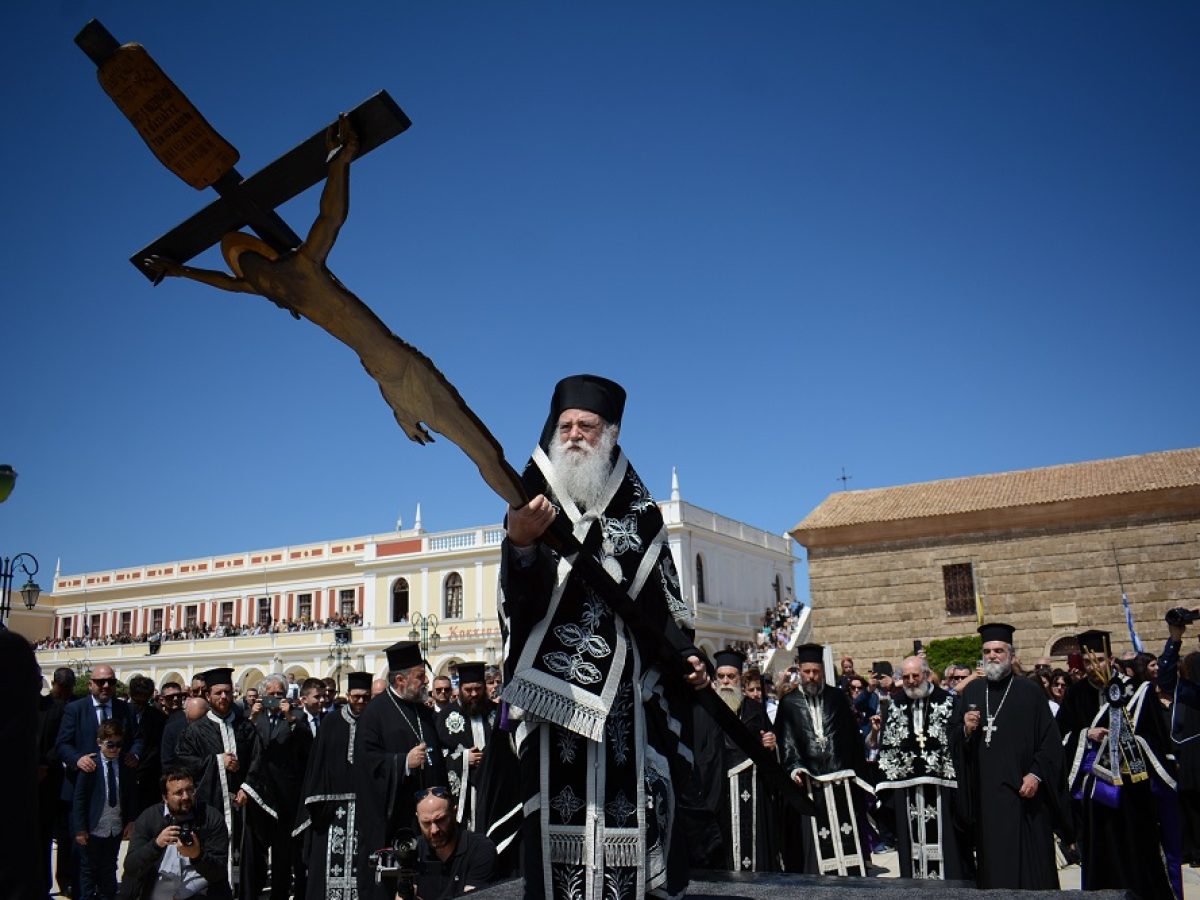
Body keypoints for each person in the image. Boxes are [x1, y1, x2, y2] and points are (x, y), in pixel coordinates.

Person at [499, 374, 707, 900]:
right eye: (565, 425)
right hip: (554, 700)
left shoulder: (643, 515)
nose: (573, 435)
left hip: (626, 701)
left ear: (609, 433)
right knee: (553, 824)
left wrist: (686, 653)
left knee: (632, 818)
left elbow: (662, 607)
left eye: (586, 426)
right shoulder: (529, 502)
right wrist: (520, 546)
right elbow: (519, 606)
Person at [951, 622, 1063, 889]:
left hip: (1025, 794)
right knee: (994, 866)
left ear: (1011, 655)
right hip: (987, 797)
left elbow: (1050, 741)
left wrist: (1036, 774)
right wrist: (965, 729)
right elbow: (955, 740)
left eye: (999, 650)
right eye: (987, 651)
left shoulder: (1030, 691)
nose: (992, 656)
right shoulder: (973, 691)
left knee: (1031, 864)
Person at [1067, 646, 1180, 898]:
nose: (1092, 666)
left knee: (1139, 846)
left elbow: (1156, 735)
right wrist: (1086, 734)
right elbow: (1060, 735)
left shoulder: (1137, 689)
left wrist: (1129, 740)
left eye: (1098, 659)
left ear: (1110, 659)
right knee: (1102, 849)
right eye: (1087, 661)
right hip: (1096, 790)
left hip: (1133, 786)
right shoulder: (1076, 694)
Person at [354, 640, 448, 900]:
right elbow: (367, 765)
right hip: (393, 822)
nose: (426, 682)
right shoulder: (374, 715)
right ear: (400, 680)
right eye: (420, 677)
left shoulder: (423, 711)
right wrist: (403, 762)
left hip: (427, 820)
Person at [776, 643, 873, 877]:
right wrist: (795, 767)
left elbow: (850, 737)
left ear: (822, 671)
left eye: (816, 671)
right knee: (815, 841)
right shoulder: (789, 703)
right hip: (809, 783)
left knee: (846, 831)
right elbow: (786, 740)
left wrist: (854, 771)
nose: (811, 676)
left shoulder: (837, 697)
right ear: (800, 670)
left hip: (840, 781)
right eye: (807, 671)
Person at [869, 656, 967, 880]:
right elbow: (889, 744)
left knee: (947, 843)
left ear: (926, 674)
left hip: (943, 789)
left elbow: (957, 741)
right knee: (910, 844)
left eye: (915, 676)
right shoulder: (894, 703)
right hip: (907, 790)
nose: (911, 681)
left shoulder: (949, 701)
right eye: (906, 677)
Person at [174, 668, 259, 887]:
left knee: (244, 861)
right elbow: (183, 763)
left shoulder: (245, 727)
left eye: (228, 692)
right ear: (208, 696)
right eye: (218, 693)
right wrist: (217, 761)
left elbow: (258, 761)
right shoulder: (196, 731)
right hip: (210, 807)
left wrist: (247, 788)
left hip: (242, 806)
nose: (223, 697)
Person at [296, 671, 373, 900]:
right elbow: (317, 766)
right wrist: (319, 802)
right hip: (331, 810)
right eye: (356, 696)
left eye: (365, 697)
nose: (360, 701)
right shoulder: (331, 722)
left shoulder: (375, 722)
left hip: (365, 807)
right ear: (348, 695)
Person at [240, 674, 313, 899]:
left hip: (286, 796)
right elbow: (242, 746)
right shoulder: (252, 717)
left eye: (279, 694)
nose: (274, 698)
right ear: (261, 696)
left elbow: (307, 744)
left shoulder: (296, 717)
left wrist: (290, 717)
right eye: (270, 695)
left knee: (283, 852)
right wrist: (251, 718)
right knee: (255, 850)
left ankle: (280, 895)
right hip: (259, 794)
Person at [118, 767, 231, 900]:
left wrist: (197, 855)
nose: (186, 797)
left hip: (198, 890)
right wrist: (156, 845)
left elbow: (219, 872)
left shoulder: (210, 817)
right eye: (179, 793)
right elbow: (131, 867)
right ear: (165, 797)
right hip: (158, 889)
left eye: (190, 790)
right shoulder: (149, 818)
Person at [72, 720, 137, 900]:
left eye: (119, 744)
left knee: (109, 867)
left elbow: (131, 796)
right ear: (99, 742)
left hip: (114, 827)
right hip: (92, 828)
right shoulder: (91, 766)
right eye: (110, 744)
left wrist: (131, 821)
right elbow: (79, 800)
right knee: (88, 870)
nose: (115, 749)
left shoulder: (125, 765)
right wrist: (80, 828)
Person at [434, 662, 497, 832]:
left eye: (478, 688)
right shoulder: (445, 717)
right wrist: (463, 760)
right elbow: (435, 756)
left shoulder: (495, 713)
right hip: (464, 797)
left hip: (493, 790)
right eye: (468, 690)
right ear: (460, 689)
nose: (474, 694)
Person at [414, 787, 498, 900]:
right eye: (426, 823)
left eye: (440, 820)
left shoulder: (479, 848)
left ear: (454, 812)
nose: (434, 830)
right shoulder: (414, 850)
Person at [38, 667, 76, 898]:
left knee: (63, 835)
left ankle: (62, 880)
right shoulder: (43, 707)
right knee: (48, 835)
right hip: (47, 778)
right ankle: (49, 881)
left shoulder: (71, 706)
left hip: (60, 778)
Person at [127, 675, 169, 815]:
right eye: (136, 702)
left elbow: (157, 747)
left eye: (144, 702)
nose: (139, 707)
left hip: (149, 777)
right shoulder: (121, 713)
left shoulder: (158, 717)